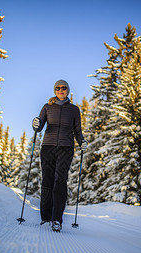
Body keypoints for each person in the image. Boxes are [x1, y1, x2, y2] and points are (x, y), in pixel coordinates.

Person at [32, 80, 87, 232]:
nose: (61, 90)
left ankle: (57, 220)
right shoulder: (47, 107)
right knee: (48, 181)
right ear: (55, 91)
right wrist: (35, 124)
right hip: (48, 147)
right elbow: (40, 126)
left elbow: (78, 131)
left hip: (66, 148)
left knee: (60, 181)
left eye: (63, 88)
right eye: (58, 88)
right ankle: (46, 217)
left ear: (67, 90)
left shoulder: (74, 109)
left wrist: (82, 142)